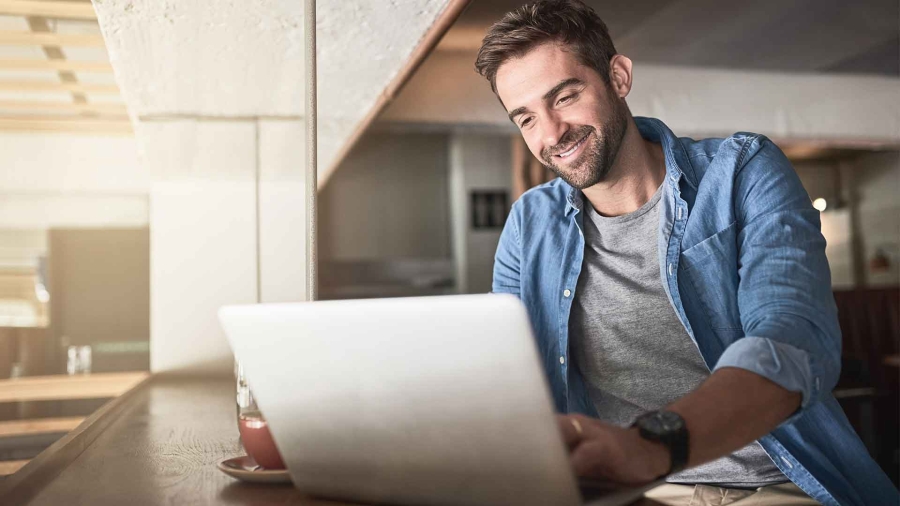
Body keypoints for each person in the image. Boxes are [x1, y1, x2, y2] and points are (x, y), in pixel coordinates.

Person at [474, 1, 898, 505]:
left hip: (775, 483)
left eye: (565, 97)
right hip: (626, 493)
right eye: (526, 118)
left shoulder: (742, 172)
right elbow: (505, 378)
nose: (550, 134)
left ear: (618, 76)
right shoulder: (529, 224)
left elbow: (792, 343)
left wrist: (649, 446)